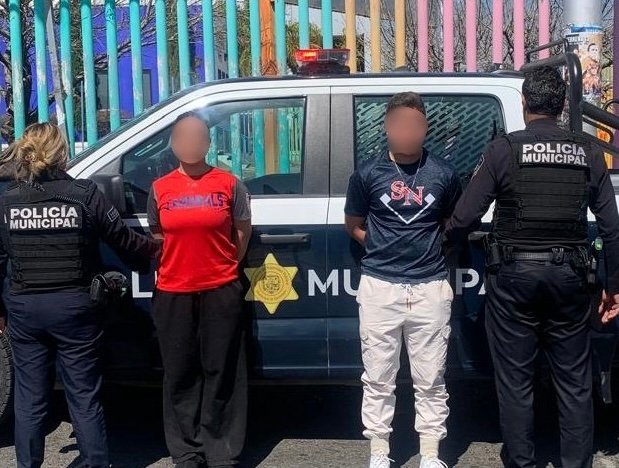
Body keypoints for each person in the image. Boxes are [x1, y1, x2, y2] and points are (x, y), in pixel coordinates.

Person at [445, 66, 619, 468]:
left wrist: (442, 244)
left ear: (524, 103)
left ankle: (521, 462)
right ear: (561, 106)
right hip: (571, 279)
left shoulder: (504, 149)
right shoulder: (589, 151)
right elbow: (611, 227)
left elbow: (465, 216)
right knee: (574, 382)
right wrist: (614, 287)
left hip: (513, 279)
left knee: (515, 382)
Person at [0, 123, 161, 468]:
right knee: (84, 396)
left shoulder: (7, 200)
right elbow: (123, 239)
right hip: (74, 309)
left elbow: (0, 260)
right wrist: (156, 249)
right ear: (61, 153)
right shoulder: (83, 193)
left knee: (30, 399)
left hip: (26, 310)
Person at [344, 92, 462, 468]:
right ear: (387, 127)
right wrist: (382, 247)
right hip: (380, 286)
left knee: (432, 377)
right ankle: (379, 451)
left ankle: (430, 454)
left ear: (425, 128)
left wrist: (428, 248)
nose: (407, 131)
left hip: (430, 286)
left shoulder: (444, 174)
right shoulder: (367, 174)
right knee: (378, 377)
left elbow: (452, 223)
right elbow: (353, 224)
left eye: (415, 124)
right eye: (400, 124)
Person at [147, 112, 252, 468]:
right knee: (180, 373)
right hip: (173, 291)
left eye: (198, 136)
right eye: (183, 136)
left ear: (208, 143)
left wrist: (223, 265)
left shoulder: (230, 184)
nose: (191, 143)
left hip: (220, 289)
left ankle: (221, 450)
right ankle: (187, 451)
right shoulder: (159, 188)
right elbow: (158, 235)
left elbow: (242, 231)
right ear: (173, 143)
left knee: (222, 371)